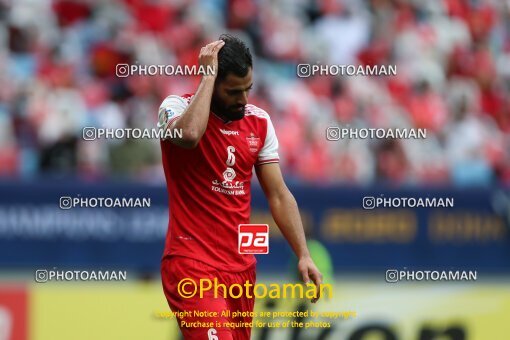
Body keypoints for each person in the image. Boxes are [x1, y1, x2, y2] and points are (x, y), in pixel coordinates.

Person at [159, 34, 323, 340]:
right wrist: (207, 76)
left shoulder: (259, 122)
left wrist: (303, 253)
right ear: (211, 80)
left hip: (240, 268)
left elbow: (278, 194)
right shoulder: (175, 107)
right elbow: (191, 134)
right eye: (233, 91)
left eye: (248, 89)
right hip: (191, 263)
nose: (243, 99)